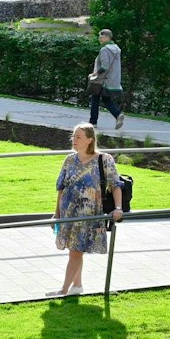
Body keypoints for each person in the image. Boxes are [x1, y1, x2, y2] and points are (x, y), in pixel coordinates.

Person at [49, 123, 123, 297]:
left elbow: (115, 185)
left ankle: (63, 290)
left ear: (90, 140)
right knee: (74, 251)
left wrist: (118, 208)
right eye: (73, 136)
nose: (74, 140)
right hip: (69, 213)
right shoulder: (69, 160)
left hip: (88, 215)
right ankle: (77, 286)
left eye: (78, 137)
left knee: (76, 252)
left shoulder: (104, 159)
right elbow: (61, 187)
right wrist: (57, 213)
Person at [88, 28, 124, 130]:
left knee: (95, 98)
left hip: (102, 79)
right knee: (106, 99)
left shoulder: (104, 50)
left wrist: (94, 74)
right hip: (112, 79)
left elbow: (104, 66)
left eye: (102, 36)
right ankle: (118, 114)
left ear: (108, 37)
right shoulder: (117, 49)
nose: (100, 38)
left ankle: (93, 122)